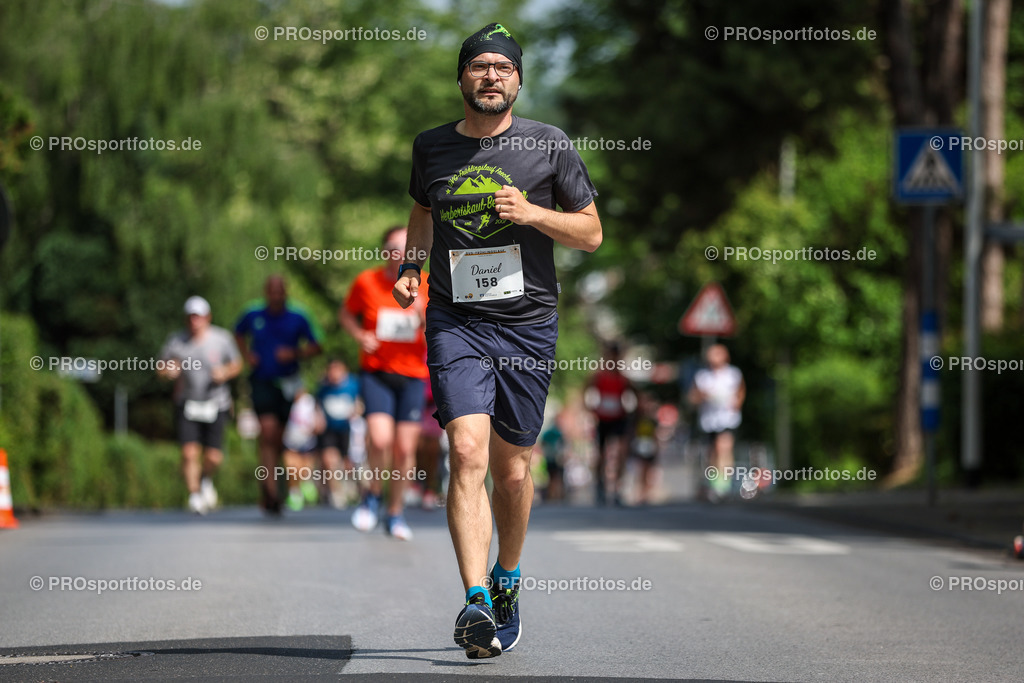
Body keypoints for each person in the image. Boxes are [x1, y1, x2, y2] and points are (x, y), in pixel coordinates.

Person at [393, 22, 601, 658]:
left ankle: (508, 576)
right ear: (461, 78)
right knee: (467, 449)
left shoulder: (550, 145)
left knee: (513, 470)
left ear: (517, 80)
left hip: (527, 321)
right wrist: (410, 269)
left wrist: (532, 213)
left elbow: (591, 234)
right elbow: (423, 213)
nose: (491, 76)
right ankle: (476, 600)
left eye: (502, 68)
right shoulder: (430, 148)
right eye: (479, 66)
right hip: (456, 318)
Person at [340, 227, 430, 541]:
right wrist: (359, 335)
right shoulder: (367, 281)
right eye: (394, 247)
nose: (400, 253)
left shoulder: (428, 283)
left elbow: (439, 327)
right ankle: (371, 497)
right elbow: (346, 314)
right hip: (376, 372)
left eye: (407, 247)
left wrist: (421, 315)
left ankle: (395, 513)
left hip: (413, 375)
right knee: (379, 441)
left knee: (405, 449)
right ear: (384, 251)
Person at [235, 275, 323, 514]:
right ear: (265, 292)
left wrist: (295, 353)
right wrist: (247, 355)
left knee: (280, 438)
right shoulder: (253, 314)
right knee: (267, 431)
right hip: (262, 380)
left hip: (289, 383)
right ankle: (270, 489)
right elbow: (238, 333)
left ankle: (278, 486)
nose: (275, 296)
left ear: (285, 292)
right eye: (270, 291)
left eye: (279, 291)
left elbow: (317, 346)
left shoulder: (299, 316)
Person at [158, 296, 243, 515]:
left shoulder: (221, 338)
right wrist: (169, 371)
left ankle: (205, 479)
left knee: (214, 456)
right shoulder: (176, 341)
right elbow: (162, 366)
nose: (194, 321)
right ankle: (194, 495)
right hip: (187, 403)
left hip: (216, 403)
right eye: (190, 317)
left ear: (207, 317)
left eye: (198, 317)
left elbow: (237, 364)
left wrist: (224, 372)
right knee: (188, 453)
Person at [688, 343, 745, 499]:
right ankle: (713, 483)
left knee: (724, 447)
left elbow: (741, 392)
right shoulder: (702, 376)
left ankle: (724, 484)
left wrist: (736, 404)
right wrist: (703, 396)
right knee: (711, 453)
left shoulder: (733, 374)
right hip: (709, 420)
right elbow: (693, 397)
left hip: (727, 419)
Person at [584, 342, 636, 506]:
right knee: (601, 454)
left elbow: (635, 395)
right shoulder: (599, 376)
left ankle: (618, 489)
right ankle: (600, 487)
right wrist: (590, 409)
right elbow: (585, 390)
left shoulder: (623, 378)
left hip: (619, 419)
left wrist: (632, 411)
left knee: (621, 453)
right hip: (602, 419)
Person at [316, 358, 361, 509]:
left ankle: (353, 488)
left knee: (348, 463)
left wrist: (357, 410)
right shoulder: (323, 387)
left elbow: (361, 403)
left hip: (348, 430)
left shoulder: (353, 385)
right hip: (329, 430)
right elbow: (317, 405)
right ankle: (336, 492)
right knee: (329, 460)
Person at [282, 384, 324, 511]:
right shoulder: (285, 402)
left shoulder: (311, 402)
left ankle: (306, 482)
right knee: (292, 468)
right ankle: (294, 493)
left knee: (304, 468)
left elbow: (320, 422)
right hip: (290, 440)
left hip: (307, 441)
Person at [629, 392, 660, 505]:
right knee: (640, 470)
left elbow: (656, 434)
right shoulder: (636, 418)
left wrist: (657, 446)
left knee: (648, 471)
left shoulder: (652, 419)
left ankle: (646, 493)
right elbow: (632, 432)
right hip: (639, 445)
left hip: (649, 446)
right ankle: (639, 493)